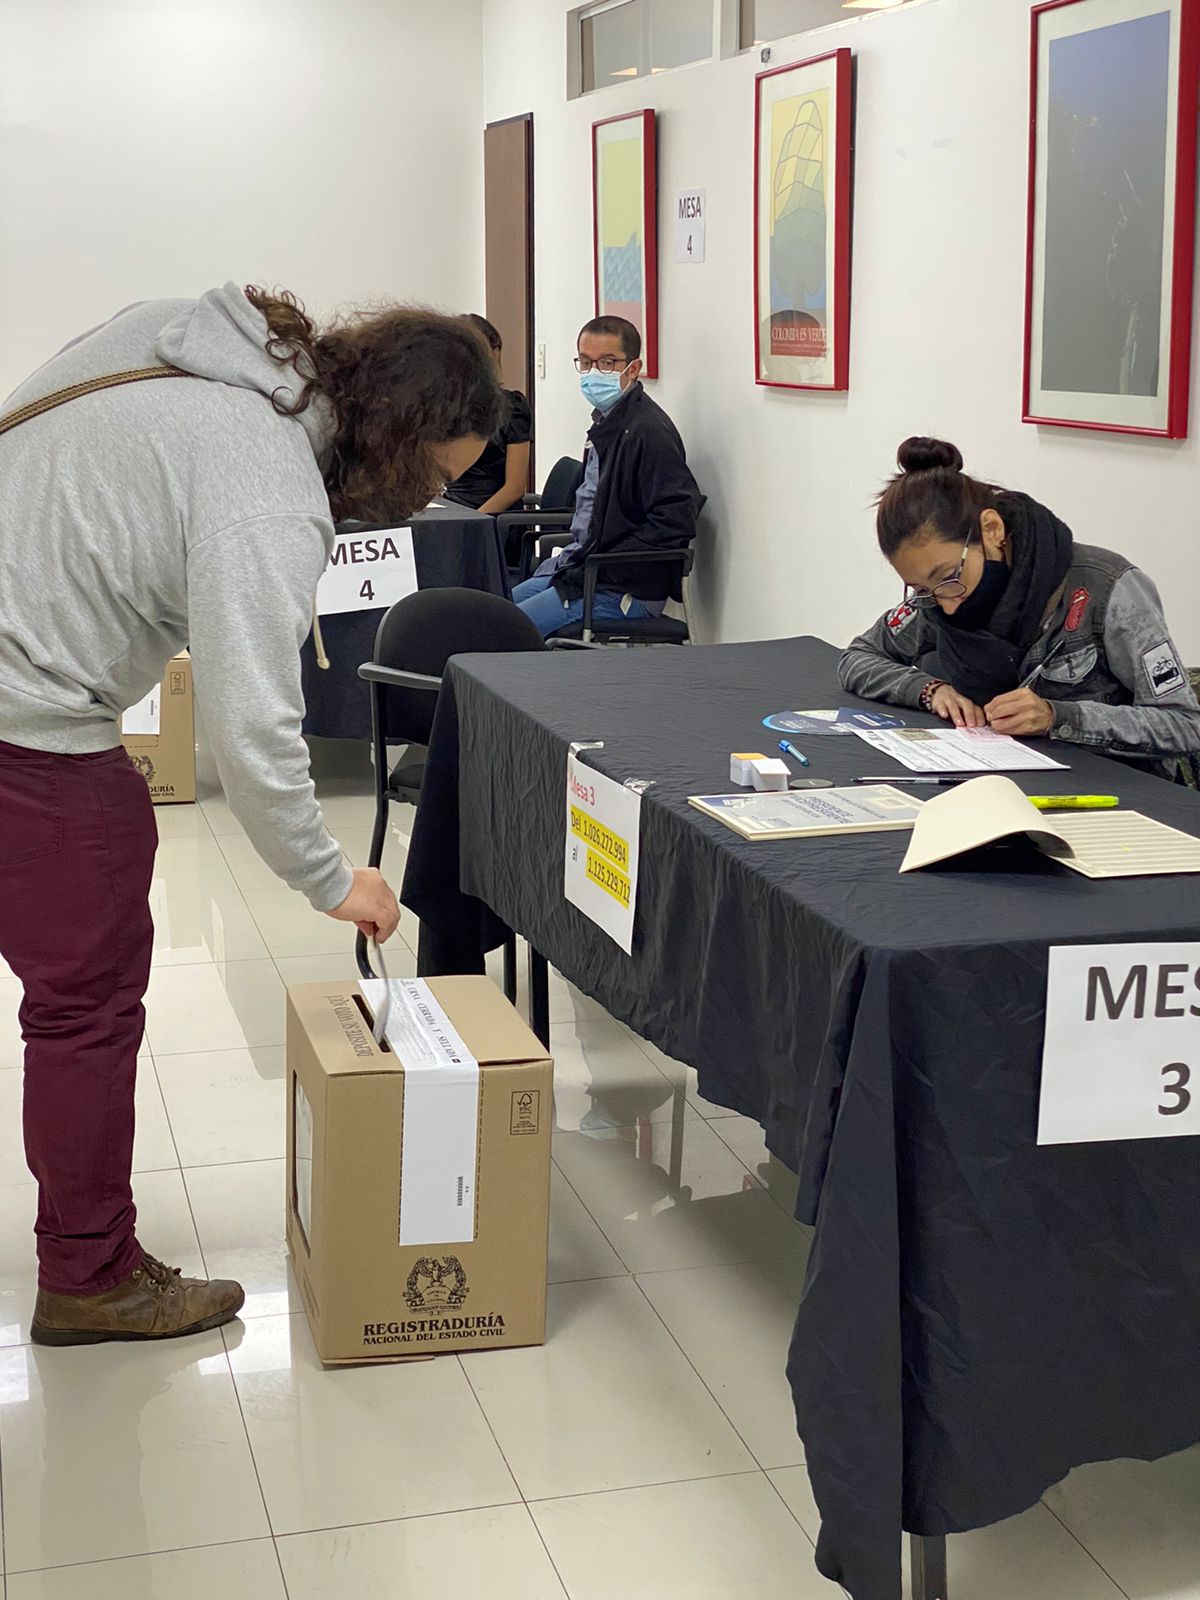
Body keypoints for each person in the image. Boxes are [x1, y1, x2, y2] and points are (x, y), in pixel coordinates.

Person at [0, 283, 500, 1346]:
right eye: (432, 475)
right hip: (24, 723)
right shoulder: (266, 481)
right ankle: (87, 1277)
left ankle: (94, 1249)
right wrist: (334, 878)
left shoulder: (204, 342)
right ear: (403, 437)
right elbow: (251, 727)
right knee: (83, 1009)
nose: (418, 502)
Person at [840, 437, 1200, 768]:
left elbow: (1184, 725)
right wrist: (930, 690)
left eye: (949, 576)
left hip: (1113, 793)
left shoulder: (1107, 587)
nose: (946, 605)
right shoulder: (937, 599)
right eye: (921, 588)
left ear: (992, 530)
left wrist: (1057, 717)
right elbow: (858, 657)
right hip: (995, 782)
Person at [511, 316, 701, 638]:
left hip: (620, 588)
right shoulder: (607, 424)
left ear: (633, 368)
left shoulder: (647, 432)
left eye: (607, 362)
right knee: (493, 612)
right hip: (580, 569)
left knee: (505, 632)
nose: (593, 373)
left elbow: (676, 519)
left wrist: (604, 565)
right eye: (585, 362)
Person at [443, 314, 532, 519]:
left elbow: (515, 487)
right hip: (453, 507)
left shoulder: (512, 407)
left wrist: (475, 520)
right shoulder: (448, 406)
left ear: (495, 353)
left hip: (495, 516)